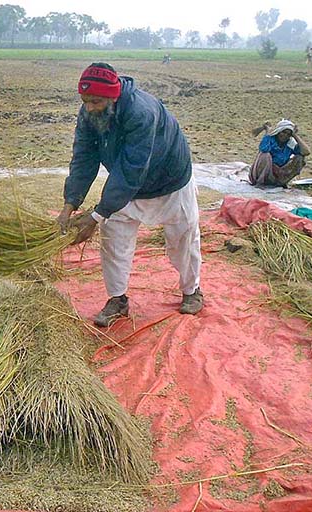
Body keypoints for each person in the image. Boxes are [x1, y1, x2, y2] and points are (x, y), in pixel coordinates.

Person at [57, 62, 202, 327]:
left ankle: (192, 290)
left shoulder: (141, 112)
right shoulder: (89, 112)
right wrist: (69, 206)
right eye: (84, 100)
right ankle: (117, 300)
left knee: (182, 240)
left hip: (169, 181)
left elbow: (132, 168)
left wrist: (97, 215)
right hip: (126, 188)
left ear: (113, 96)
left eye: (95, 101)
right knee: (113, 241)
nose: (88, 107)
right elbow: (83, 158)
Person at [248, 119, 311, 188]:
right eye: (283, 132)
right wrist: (268, 132)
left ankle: (282, 182)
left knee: (300, 158)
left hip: (278, 175)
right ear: (279, 131)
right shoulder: (271, 139)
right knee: (265, 155)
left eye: (288, 134)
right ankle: (260, 182)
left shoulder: (290, 144)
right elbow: (264, 149)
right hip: (264, 174)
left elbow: (306, 152)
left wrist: (295, 136)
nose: (285, 136)